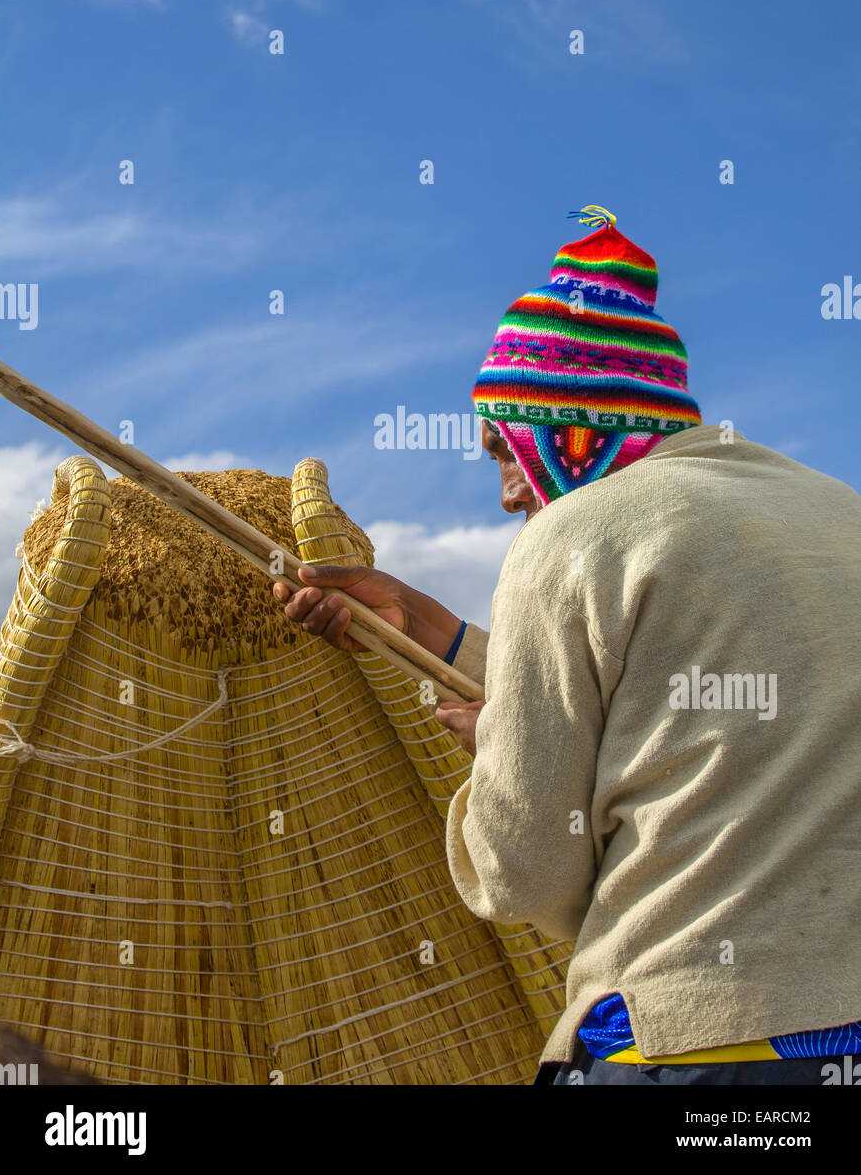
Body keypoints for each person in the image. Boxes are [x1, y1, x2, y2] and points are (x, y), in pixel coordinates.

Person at [273, 208, 861, 1086]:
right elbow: (684, 692)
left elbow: (525, 871)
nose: (510, 496)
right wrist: (430, 628)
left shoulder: (574, 536)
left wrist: (501, 757)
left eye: (503, 451)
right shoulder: (836, 514)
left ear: (568, 427)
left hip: (692, 1048)